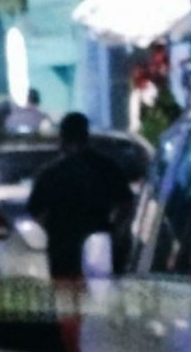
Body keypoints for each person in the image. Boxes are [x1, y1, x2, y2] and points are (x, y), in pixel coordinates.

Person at [28, 113, 133, 281]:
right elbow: (125, 203)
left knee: (67, 294)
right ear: (86, 136)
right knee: (102, 292)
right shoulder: (106, 167)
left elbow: (36, 211)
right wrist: (112, 228)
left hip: (62, 250)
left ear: (62, 138)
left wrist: (54, 229)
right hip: (99, 246)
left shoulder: (51, 173)